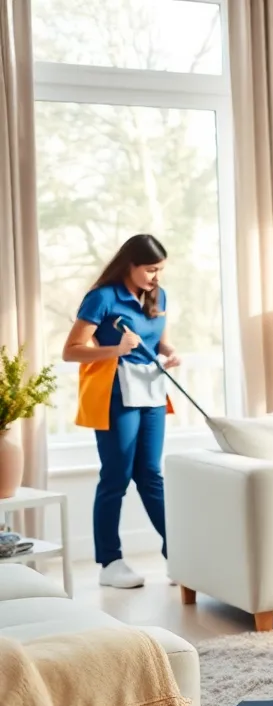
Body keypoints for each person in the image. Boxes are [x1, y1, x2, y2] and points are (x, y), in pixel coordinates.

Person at [62, 234, 180, 589]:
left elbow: (160, 340)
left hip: (151, 392)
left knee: (150, 475)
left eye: (159, 270)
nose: (155, 276)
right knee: (116, 475)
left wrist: (171, 353)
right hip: (116, 393)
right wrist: (115, 349)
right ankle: (110, 562)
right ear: (129, 264)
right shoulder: (102, 297)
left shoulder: (159, 296)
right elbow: (71, 350)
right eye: (149, 269)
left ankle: (179, 552)